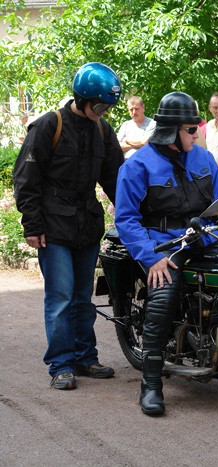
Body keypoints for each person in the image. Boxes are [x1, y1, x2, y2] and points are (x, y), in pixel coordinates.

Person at [115, 92, 218, 415]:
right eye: (190, 129)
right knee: (164, 294)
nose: (197, 134)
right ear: (171, 132)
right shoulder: (138, 166)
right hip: (164, 245)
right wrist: (150, 257)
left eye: (196, 128)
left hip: (204, 239)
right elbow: (125, 219)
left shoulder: (204, 159)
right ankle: (151, 384)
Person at [13, 62, 123, 390]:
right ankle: (61, 364)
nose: (103, 112)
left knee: (82, 296)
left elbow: (117, 179)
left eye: (108, 107)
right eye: (99, 105)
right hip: (53, 226)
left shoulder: (103, 130)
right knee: (60, 296)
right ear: (81, 98)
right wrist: (32, 225)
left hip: (87, 224)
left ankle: (85, 357)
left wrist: (135, 214)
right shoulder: (48, 125)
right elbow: (26, 180)